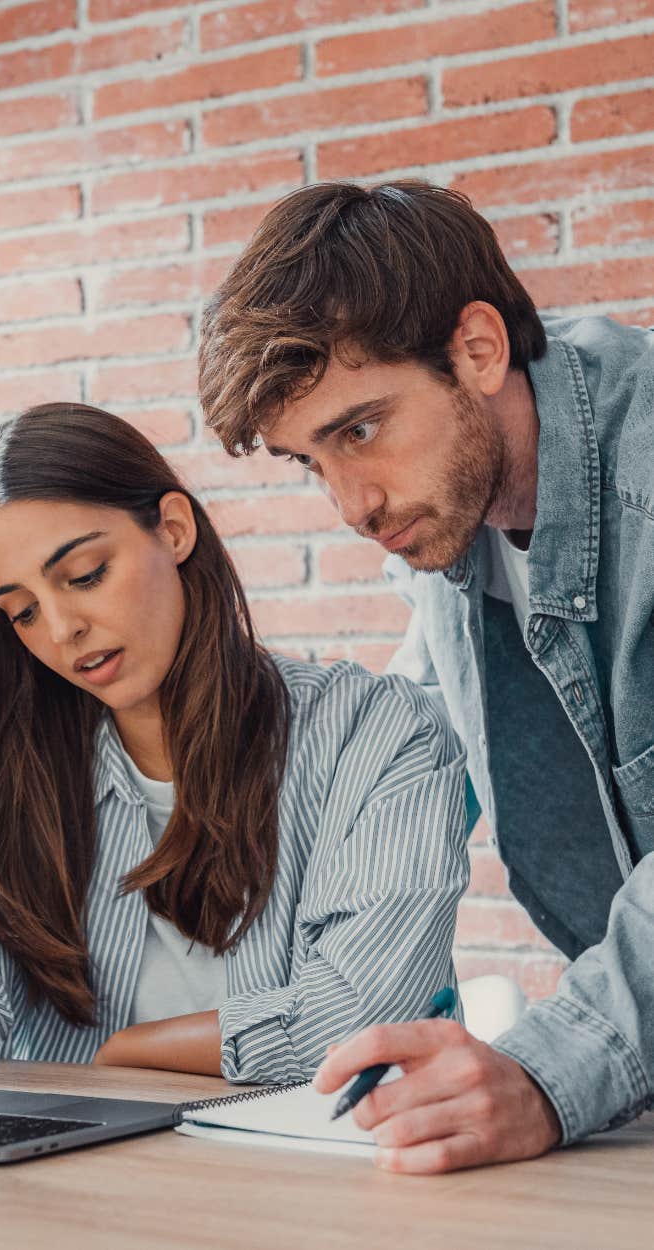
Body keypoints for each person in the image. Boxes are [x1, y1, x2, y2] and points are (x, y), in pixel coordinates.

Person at [198, 179, 654, 1166]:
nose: (351, 504)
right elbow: (407, 768)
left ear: (478, 349)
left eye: (360, 429)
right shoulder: (455, 517)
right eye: (309, 460)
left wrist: (546, 1067)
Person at [0, 402, 468, 1083]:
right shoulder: (8, 779)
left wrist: (129, 1052)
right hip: (64, 1185)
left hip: (320, 1177)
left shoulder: (378, 737)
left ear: (174, 529)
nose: (63, 629)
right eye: (24, 611)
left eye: (86, 574)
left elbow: (366, 1017)